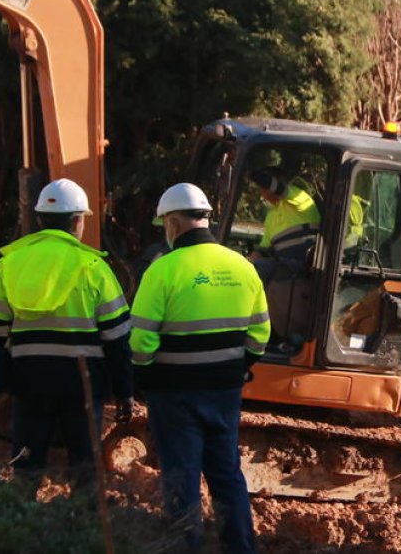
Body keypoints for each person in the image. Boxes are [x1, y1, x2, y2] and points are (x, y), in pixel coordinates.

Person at [130, 183, 270, 553]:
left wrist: (144, 375)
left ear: (173, 222)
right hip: (224, 392)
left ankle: (185, 546)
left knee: (182, 476)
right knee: (227, 474)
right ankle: (240, 547)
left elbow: (140, 340)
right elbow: (260, 334)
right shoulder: (243, 267)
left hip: (173, 393)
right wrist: (235, 368)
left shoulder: (163, 270)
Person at [0, 178, 133, 493]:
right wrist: (124, 390)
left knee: (26, 467)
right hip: (83, 384)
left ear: (39, 220)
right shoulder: (94, 267)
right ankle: (84, 519)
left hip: (29, 380)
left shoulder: (10, 265)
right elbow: (118, 338)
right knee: (85, 469)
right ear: (78, 221)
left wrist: (11, 369)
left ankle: (22, 516)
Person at [247, 167, 320, 281]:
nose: (261, 190)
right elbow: (263, 247)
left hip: (304, 267)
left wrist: (249, 172)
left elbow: (277, 188)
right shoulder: (271, 215)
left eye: (263, 186)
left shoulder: (301, 198)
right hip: (282, 266)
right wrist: (248, 262)